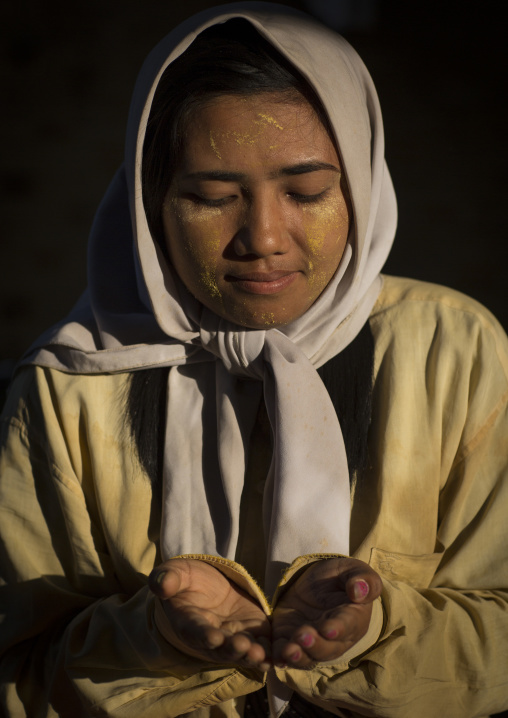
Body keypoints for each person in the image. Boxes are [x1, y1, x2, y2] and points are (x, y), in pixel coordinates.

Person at [1, 2, 507, 717]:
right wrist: (156, 639)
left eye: (307, 193)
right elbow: (18, 675)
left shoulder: (455, 354)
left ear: (361, 183)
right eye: (211, 197)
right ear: (151, 202)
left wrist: (375, 631)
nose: (263, 237)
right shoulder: (68, 388)